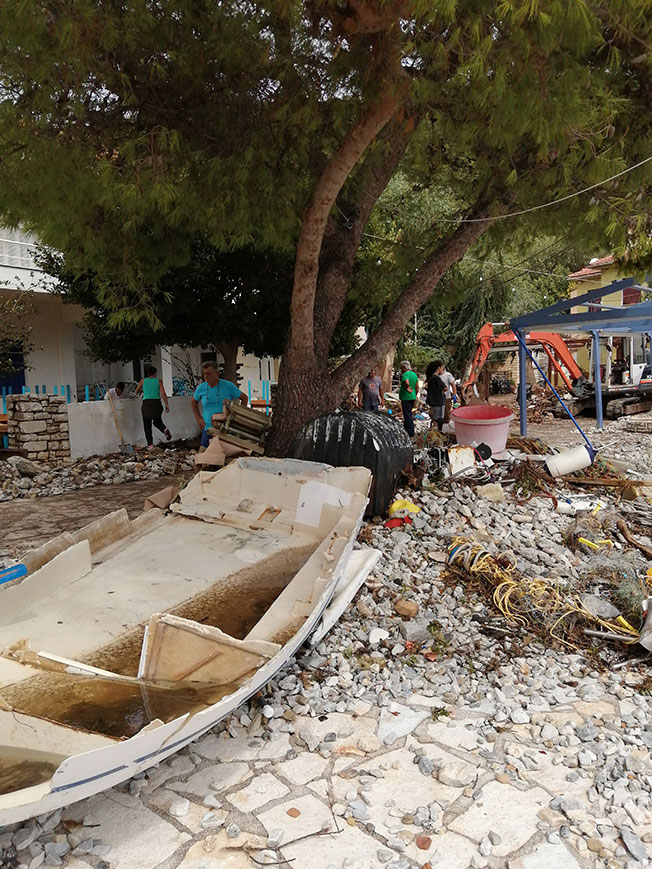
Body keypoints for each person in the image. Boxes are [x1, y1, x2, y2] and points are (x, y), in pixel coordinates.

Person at [191, 361, 248, 452]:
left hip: (227, 429)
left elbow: (244, 398)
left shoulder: (228, 386)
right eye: (204, 374)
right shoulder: (201, 388)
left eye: (209, 374)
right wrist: (198, 418)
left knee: (227, 455)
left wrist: (239, 416)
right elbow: (193, 401)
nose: (206, 376)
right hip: (208, 428)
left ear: (217, 374)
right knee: (203, 454)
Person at [135, 364, 171, 450]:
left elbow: (136, 391)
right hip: (156, 403)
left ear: (147, 373)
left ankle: (150, 445)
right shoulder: (159, 381)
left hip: (147, 404)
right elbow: (163, 393)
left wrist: (142, 390)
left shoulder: (143, 381)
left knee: (147, 425)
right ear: (155, 373)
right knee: (157, 421)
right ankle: (164, 429)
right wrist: (167, 404)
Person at [398, 360, 418, 438]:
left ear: (404, 367)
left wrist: (407, 387)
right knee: (408, 413)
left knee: (407, 415)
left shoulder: (405, 374)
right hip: (412, 396)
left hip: (406, 397)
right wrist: (415, 394)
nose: (400, 370)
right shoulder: (414, 374)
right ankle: (406, 429)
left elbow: (406, 382)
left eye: (401, 368)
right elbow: (417, 386)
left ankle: (410, 432)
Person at [425, 359, 446, 431]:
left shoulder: (430, 378)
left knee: (434, 420)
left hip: (432, 402)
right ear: (438, 368)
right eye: (442, 368)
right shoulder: (436, 378)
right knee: (438, 421)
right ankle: (436, 434)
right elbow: (445, 388)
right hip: (438, 402)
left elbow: (427, 387)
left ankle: (432, 434)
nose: (443, 370)